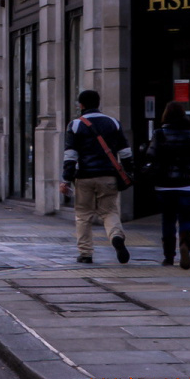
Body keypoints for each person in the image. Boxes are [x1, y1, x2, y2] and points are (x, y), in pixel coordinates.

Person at [63, 89, 134, 264]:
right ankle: (116, 236)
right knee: (109, 211)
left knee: (83, 215)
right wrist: (129, 171)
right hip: (108, 175)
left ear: (81, 105)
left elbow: (70, 155)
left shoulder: (75, 125)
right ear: (98, 103)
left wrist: (66, 179)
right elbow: (125, 152)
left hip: (84, 177)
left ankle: (85, 253)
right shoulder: (113, 123)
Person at [143, 101, 190, 268]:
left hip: (165, 184)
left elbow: (151, 155)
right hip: (188, 183)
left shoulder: (159, 133)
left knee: (168, 220)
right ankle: (185, 243)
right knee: (187, 218)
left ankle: (169, 257)